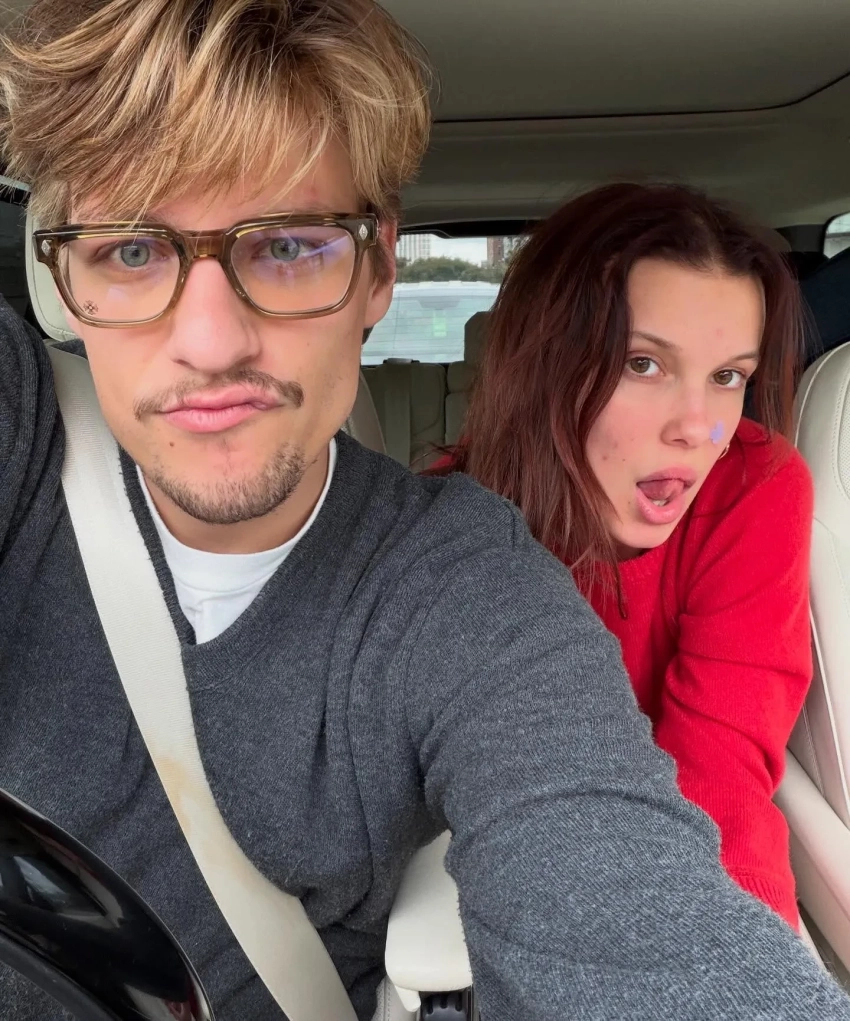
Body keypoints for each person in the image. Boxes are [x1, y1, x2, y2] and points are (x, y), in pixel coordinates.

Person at [0, 2, 847, 1019]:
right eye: (133, 250)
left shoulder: (461, 578)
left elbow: (638, 886)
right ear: (62, 277)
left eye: (289, 245)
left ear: (379, 272)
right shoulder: (27, 436)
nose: (212, 343)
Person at [434, 183, 813, 929]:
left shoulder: (754, 485)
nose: (698, 429)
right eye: (643, 363)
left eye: (727, 376)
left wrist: (734, 956)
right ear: (547, 365)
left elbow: (723, 769)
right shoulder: (448, 526)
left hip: (696, 889)